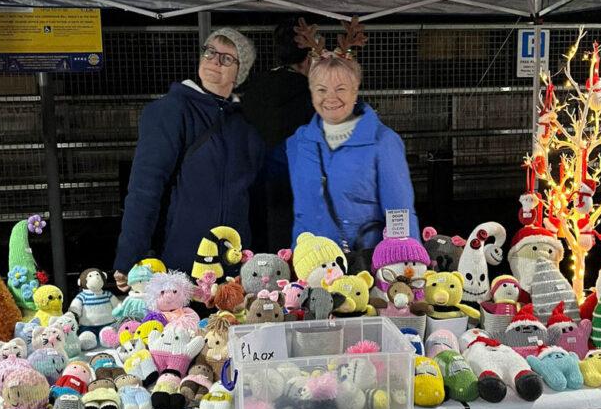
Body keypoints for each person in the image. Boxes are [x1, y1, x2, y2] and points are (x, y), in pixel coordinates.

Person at [113, 28, 265, 290]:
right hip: (178, 268)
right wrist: (129, 258)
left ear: (239, 73)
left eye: (227, 58)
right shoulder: (170, 111)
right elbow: (144, 188)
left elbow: (254, 197)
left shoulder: (245, 125)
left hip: (232, 269)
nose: (215, 61)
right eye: (210, 52)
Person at [286, 18, 420, 254]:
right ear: (311, 91)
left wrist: (405, 263)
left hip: (363, 266)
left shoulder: (382, 142)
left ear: (355, 91)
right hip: (311, 266)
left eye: (340, 89)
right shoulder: (299, 142)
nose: (330, 97)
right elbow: (302, 214)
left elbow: (399, 214)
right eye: (321, 89)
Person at [241, 18, 315, 251]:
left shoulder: (253, 88)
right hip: (295, 191)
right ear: (308, 58)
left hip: (254, 186)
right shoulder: (313, 96)